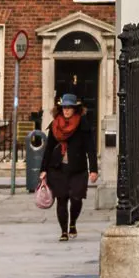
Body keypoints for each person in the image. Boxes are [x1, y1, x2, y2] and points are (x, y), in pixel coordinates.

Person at [40, 91, 98, 241]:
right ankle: (63, 231)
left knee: (77, 198)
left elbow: (90, 148)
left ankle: (72, 223)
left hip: (78, 168)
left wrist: (93, 169)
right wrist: (43, 169)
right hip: (57, 168)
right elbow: (48, 149)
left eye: (69, 107)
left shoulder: (82, 124)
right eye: (64, 107)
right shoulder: (55, 125)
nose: (66, 110)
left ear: (75, 109)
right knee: (62, 199)